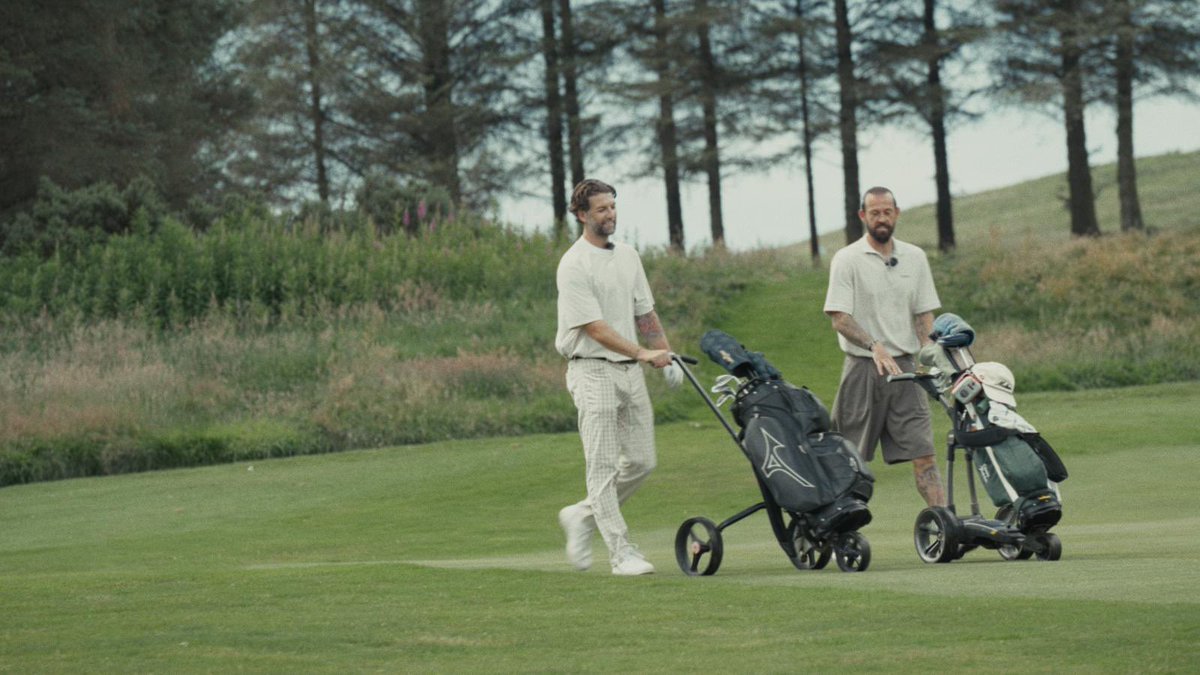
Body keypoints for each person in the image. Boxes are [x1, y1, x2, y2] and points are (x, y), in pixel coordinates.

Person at [554, 178, 684, 576]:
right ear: (581, 215)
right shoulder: (573, 264)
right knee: (603, 465)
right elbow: (596, 328)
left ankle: (582, 514)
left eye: (612, 207)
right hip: (591, 369)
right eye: (601, 209)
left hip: (630, 373)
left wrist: (666, 353)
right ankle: (621, 552)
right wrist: (644, 352)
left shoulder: (628, 256)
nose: (610, 215)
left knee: (643, 461)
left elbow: (644, 313)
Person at [823, 186, 946, 508]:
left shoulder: (914, 257)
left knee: (925, 454)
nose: (881, 218)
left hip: (906, 370)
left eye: (887, 212)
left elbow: (923, 316)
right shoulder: (847, 259)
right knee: (848, 458)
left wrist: (933, 356)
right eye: (874, 212)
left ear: (897, 214)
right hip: (863, 367)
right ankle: (842, 525)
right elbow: (839, 318)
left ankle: (945, 522)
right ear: (863, 216)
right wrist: (874, 345)